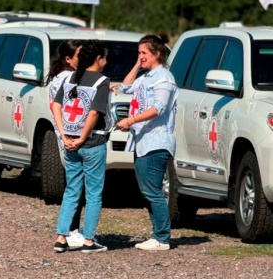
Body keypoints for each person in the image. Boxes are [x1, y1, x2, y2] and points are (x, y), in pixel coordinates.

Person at [113, 34, 178, 251]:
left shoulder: (164, 78)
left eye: (144, 53)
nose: (140, 57)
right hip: (142, 141)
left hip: (156, 141)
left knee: (153, 190)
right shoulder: (146, 77)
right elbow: (124, 87)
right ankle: (157, 234)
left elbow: (158, 108)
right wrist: (137, 64)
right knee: (146, 190)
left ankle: (162, 237)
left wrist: (130, 120)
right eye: (138, 53)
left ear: (157, 54)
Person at [52, 39, 111, 254]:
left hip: (70, 141)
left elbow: (56, 106)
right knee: (94, 193)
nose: (106, 61)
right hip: (92, 143)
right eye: (104, 57)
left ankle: (61, 237)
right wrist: (83, 138)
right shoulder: (102, 81)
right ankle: (88, 240)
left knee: (71, 190)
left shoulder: (70, 78)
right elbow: (94, 113)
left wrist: (64, 134)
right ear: (98, 59)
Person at [45, 39, 85, 248]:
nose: (85, 58)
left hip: (64, 135)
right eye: (80, 55)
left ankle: (70, 230)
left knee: (74, 184)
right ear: (69, 59)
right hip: (72, 137)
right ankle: (71, 231)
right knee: (76, 185)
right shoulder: (70, 79)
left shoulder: (57, 79)